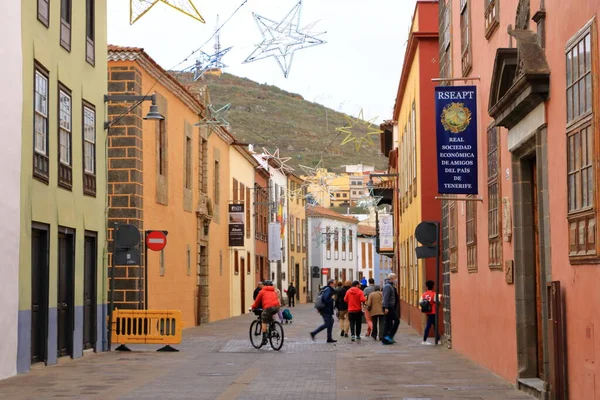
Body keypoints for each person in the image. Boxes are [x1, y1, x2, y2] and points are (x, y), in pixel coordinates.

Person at [310, 279, 337, 343]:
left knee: (331, 321)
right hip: (325, 309)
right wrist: (332, 299)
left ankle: (329, 338)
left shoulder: (326, 289)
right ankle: (314, 333)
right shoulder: (328, 290)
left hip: (326, 309)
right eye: (334, 283)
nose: (335, 284)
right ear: (331, 284)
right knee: (327, 323)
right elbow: (325, 299)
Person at [381, 273, 400, 345]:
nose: (396, 279)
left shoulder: (391, 286)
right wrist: (385, 307)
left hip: (390, 306)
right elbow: (385, 297)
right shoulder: (388, 286)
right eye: (395, 278)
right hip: (388, 306)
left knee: (388, 322)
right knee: (397, 321)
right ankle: (389, 336)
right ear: (392, 278)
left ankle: (385, 338)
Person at [421, 280, 440, 345]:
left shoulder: (424, 294)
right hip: (433, 311)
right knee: (430, 326)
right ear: (433, 286)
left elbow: (420, 302)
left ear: (426, 287)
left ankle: (438, 339)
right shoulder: (434, 294)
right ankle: (424, 340)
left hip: (427, 311)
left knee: (434, 325)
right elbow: (438, 302)